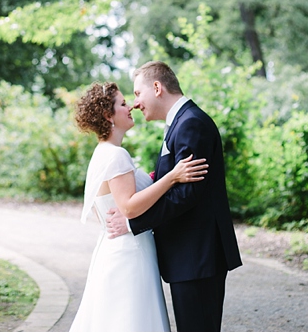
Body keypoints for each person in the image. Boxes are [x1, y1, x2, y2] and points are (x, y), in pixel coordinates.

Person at [107, 61, 243, 332]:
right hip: (191, 256)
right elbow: (175, 180)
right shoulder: (182, 122)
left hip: (198, 255)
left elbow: (186, 194)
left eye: (137, 93)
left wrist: (133, 222)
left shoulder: (191, 123)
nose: (135, 104)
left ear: (157, 88)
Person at [70, 81, 209, 332]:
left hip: (116, 248)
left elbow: (104, 206)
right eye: (123, 104)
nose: (131, 106)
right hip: (129, 253)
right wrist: (172, 177)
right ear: (107, 115)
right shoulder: (115, 155)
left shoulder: (103, 153)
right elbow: (129, 208)